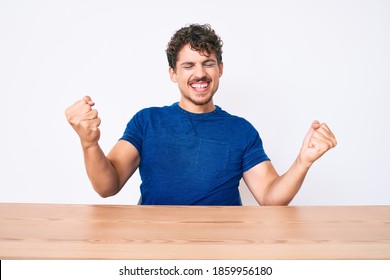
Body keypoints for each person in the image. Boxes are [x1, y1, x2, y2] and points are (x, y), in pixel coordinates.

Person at [65, 24, 337, 206]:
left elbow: (269, 196)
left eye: (208, 64)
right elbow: (107, 186)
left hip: (223, 247)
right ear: (173, 74)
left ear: (220, 68)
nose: (200, 74)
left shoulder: (241, 130)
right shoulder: (146, 121)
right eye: (188, 65)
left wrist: (303, 162)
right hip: (156, 246)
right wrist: (89, 143)